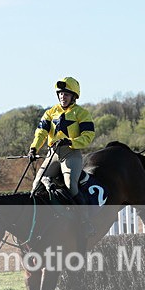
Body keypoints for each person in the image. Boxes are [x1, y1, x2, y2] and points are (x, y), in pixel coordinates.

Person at [28, 76, 96, 233]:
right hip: (52, 155)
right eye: (60, 94)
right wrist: (34, 148)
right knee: (36, 186)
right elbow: (41, 133)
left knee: (71, 185)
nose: (62, 97)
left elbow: (88, 136)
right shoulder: (50, 113)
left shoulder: (82, 113)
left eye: (66, 94)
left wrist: (70, 142)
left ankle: (85, 221)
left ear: (73, 96)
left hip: (71, 155)